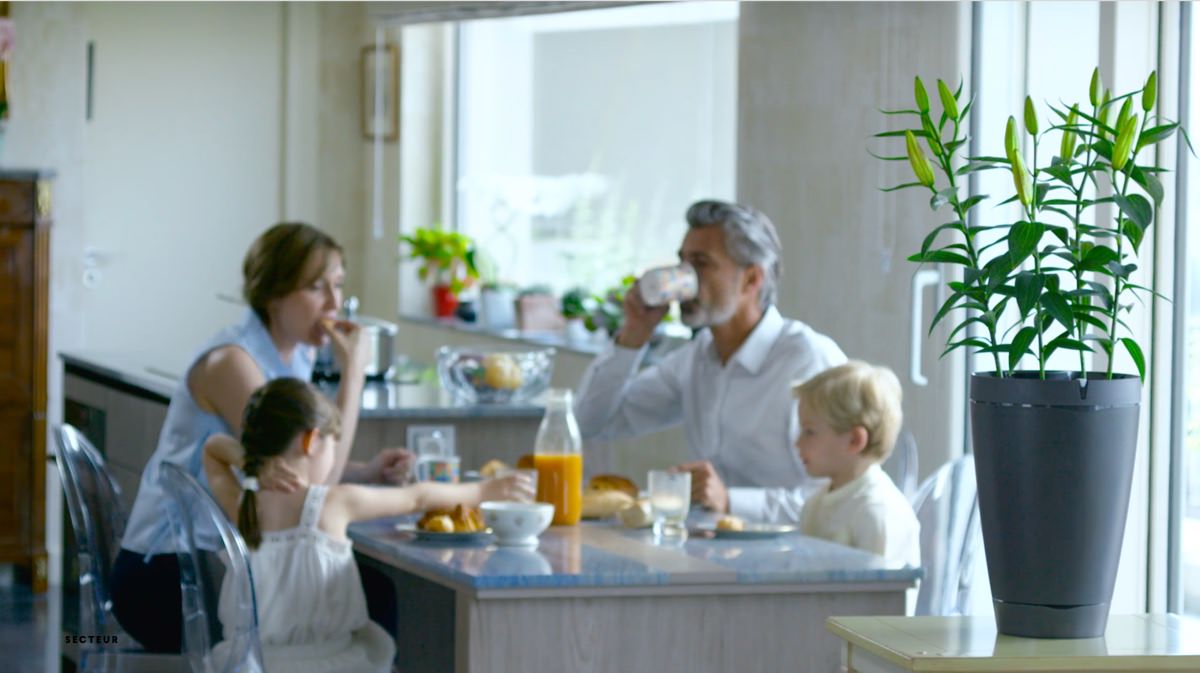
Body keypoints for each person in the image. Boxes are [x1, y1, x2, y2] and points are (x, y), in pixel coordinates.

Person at [111, 222, 412, 652]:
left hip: (216, 564)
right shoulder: (233, 364)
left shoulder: (297, 355)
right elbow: (315, 492)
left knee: (359, 590)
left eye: (338, 285)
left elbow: (293, 471)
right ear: (274, 294)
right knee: (369, 596)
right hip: (168, 579)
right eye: (316, 288)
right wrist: (354, 375)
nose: (334, 303)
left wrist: (367, 472)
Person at [203, 378, 532, 673]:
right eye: (333, 447)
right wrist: (485, 490)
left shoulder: (243, 506)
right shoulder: (332, 503)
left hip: (252, 664)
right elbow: (417, 497)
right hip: (330, 663)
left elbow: (212, 449)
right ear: (312, 441)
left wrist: (250, 462)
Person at [573, 199, 847, 523]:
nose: (684, 278)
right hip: (714, 543)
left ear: (751, 280)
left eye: (700, 264)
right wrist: (634, 334)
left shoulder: (808, 362)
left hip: (796, 550)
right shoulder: (697, 357)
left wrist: (731, 501)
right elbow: (592, 423)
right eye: (682, 262)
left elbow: (839, 500)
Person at [793, 361, 920, 567]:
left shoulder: (876, 513)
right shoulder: (814, 505)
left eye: (809, 432)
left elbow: (881, 587)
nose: (797, 443)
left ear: (854, 440)